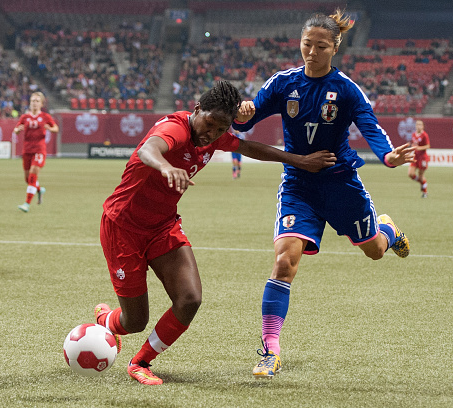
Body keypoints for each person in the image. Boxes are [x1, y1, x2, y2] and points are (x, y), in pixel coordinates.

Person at [94, 80, 335, 385]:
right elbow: (150, 149)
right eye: (210, 123)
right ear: (197, 109)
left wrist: (299, 161)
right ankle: (106, 320)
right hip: (123, 227)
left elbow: (248, 147)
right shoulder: (176, 129)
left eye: (222, 128)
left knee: (190, 299)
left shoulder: (214, 138)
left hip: (163, 226)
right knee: (134, 321)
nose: (213, 133)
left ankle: (140, 362)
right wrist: (166, 167)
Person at [232, 11, 416, 379]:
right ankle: (270, 350)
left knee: (375, 251)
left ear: (335, 47)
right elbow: (245, 122)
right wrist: (242, 112)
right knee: (284, 261)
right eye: (306, 45)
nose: (311, 53)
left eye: (320, 46)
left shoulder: (346, 89)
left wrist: (388, 156)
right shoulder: (284, 83)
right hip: (299, 185)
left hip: (341, 184)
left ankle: (389, 230)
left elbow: (370, 126)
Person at [13, 92, 59, 212]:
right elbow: (16, 129)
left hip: (39, 150)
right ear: (30, 102)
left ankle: (26, 204)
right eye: (33, 101)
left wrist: (50, 128)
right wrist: (18, 130)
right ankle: (39, 190)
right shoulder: (25, 117)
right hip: (27, 150)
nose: (34, 103)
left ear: (41, 104)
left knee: (33, 173)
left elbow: (56, 128)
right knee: (28, 179)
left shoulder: (45, 116)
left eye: (37, 101)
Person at [408, 119, 430, 198]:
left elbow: (428, 146)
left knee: (421, 175)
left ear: (423, 126)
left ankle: (425, 192)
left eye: (420, 124)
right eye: (417, 124)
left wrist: (419, 148)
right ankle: (423, 183)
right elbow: (414, 144)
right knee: (410, 174)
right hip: (415, 156)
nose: (418, 126)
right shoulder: (413, 134)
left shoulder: (424, 135)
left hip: (423, 158)